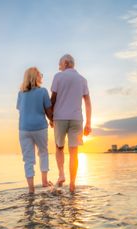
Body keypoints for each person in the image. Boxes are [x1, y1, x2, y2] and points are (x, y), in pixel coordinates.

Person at [50, 54, 92, 193]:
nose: (59, 67)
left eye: (60, 64)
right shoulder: (82, 80)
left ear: (67, 63)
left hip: (60, 118)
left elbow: (53, 99)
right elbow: (87, 103)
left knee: (59, 148)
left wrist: (51, 118)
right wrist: (88, 123)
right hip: (76, 119)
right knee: (74, 152)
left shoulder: (58, 76)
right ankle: (73, 184)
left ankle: (61, 174)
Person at [17, 67, 53, 194]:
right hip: (39, 127)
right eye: (40, 74)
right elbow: (48, 110)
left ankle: (31, 189)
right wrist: (52, 121)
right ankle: (44, 181)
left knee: (28, 159)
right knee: (43, 153)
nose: (41, 77)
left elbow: (20, 109)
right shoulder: (43, 91)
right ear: (35, 77)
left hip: (24, 128)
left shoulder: (20, 93)